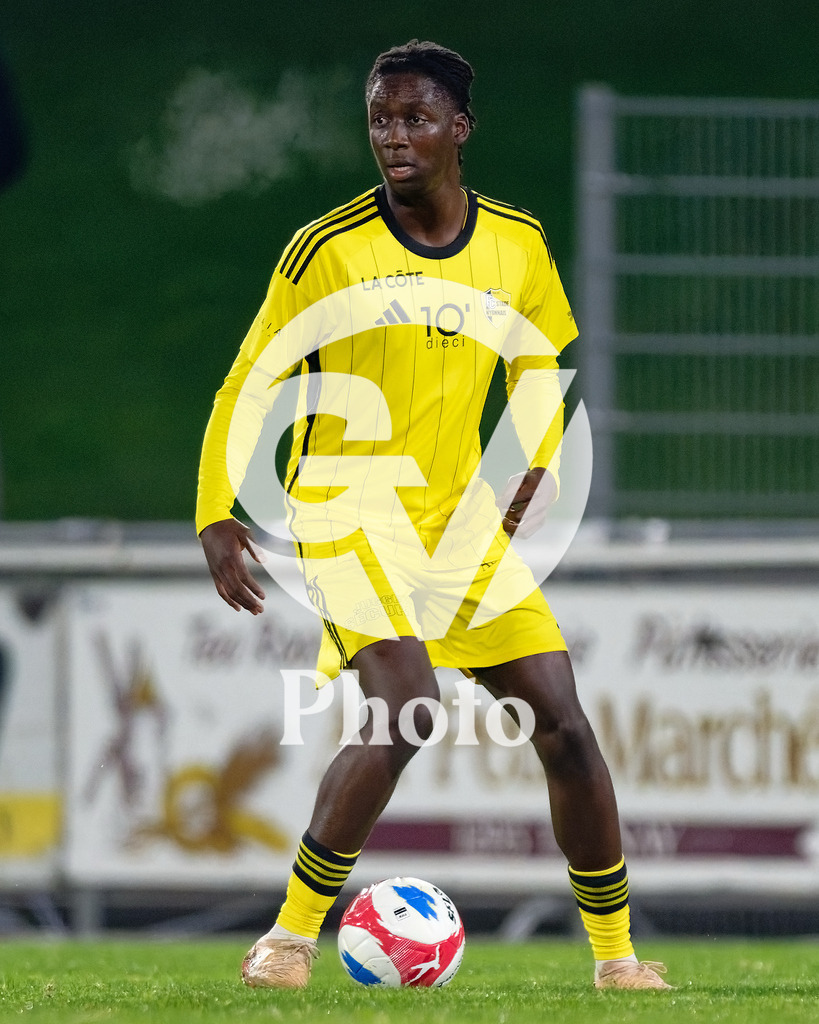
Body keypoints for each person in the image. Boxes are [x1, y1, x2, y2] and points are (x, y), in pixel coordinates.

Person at [196, 40, 671, 992]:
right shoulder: (326, 249)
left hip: (460, 530)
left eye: (414, 119)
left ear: (460, 129)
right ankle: (287, 940)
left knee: (565, 728)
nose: (393, 138)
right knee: (408, 706)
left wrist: (533, 454)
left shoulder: (516, 244)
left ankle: (617, 961)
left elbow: (540, 361)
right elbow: (251, 379)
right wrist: (216, 509)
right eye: (380, 119)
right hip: (345, 515)